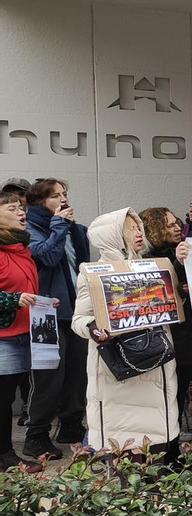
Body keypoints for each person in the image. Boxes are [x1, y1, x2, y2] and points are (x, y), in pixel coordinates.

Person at [73, 208, 180, 461]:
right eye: (130, 228)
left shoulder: (150, 267)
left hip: (157, 361)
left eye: (139, 227)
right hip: (118, 371)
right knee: (124, 451)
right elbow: (78, 319)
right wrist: (93, 328)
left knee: (157, 447)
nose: (139, 233)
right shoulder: (93, 273)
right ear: (111, 235)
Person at [22, 178, 90, 461]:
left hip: (75, 310)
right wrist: (60, 226)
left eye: (65, 194)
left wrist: (69, 228)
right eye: (55, 196)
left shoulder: (74, 229)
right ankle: (36, 435)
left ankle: (70, 424)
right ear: (40, 201)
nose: (63, 199)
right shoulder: (30, 229)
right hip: (46, 312)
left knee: (77, 371)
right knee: (50, 375)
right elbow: (47, 257)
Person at [140, 207, 192, 433]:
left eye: (177, 223)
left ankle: (175, 430)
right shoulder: (146, 257)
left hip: (186, 332)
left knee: (182, 381)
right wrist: (178, 270)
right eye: (170, 225)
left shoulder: (183, 250)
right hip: (166, 335)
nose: (178, 227)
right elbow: (158, 288)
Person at [0, 192, 45, 472]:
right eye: (13, 208)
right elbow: (13, 295)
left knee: (7, 400)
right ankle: (5, 455)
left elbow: (26, 291)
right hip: (3, 338)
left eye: (22, 208)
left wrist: (43, 302)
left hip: (22, 336)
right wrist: (12, 300)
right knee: (2, 401)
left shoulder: (21, 250)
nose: (22, 212)